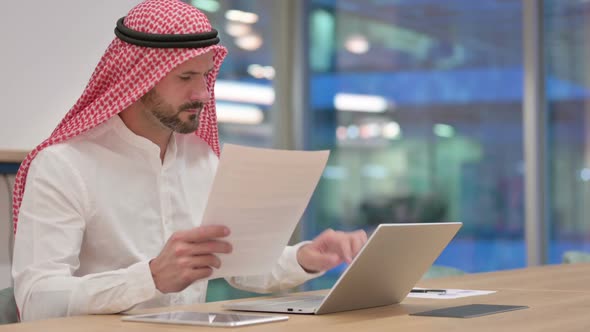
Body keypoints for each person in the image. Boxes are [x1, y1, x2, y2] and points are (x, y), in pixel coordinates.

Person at [10, 0, 367, 322]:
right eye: (185, 77)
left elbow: (241, 266)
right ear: (139, 78)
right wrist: (148, 278)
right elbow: (38, 300)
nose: (202, 94)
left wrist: (308, 257)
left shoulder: (202, 159)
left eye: (205, 76)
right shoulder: (63, 165)